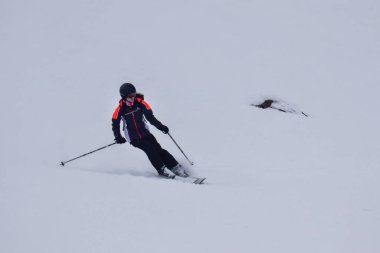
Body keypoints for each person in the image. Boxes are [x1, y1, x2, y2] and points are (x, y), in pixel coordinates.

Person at [112, 83, 187, 178]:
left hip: (145, 133)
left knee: (159, 150)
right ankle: (162, 170)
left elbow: (150, 118)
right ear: (123, 96)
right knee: (149, 149)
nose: (133, 98)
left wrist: (161, 126)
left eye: (134, 95)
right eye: (130, 96)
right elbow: (115, 123)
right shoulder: (120, 109)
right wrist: (118, 137)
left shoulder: (141, 103)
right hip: (133, 137)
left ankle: (177, 168)